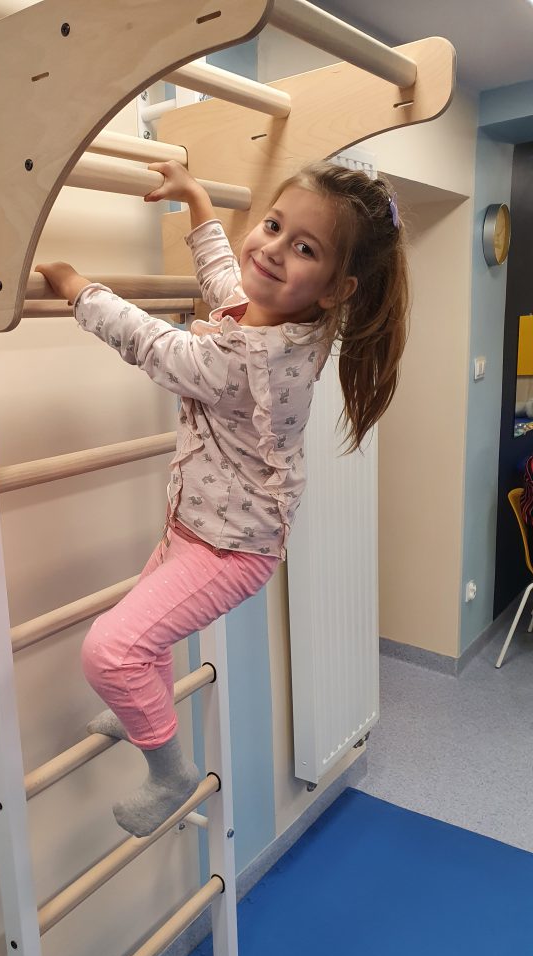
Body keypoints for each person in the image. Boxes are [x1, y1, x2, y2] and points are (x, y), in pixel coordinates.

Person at [36, 159, 409, 837]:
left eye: (304, 248)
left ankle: (172, 776)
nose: (270, 247)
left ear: (334, 289)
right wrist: (200, 204)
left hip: (230, 550)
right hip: (202, 526)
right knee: (137, 646)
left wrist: (76, 287)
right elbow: (230, 287)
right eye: (273, 225)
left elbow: (152, 344)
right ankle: (137, 708)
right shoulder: (294, 321)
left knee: (110, 651)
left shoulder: (247, 359)